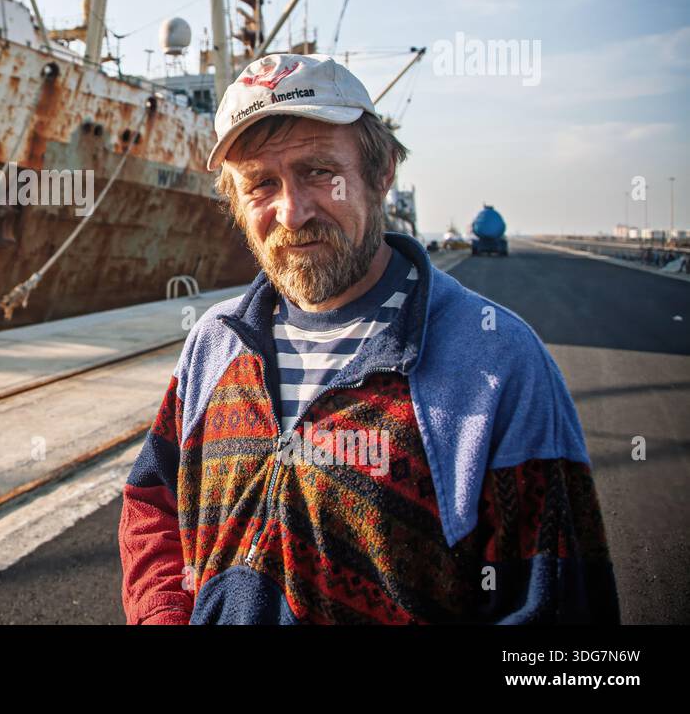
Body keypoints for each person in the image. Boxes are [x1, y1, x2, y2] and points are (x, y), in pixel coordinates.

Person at [118, 53, 620, 624]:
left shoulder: (499, 362)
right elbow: (153, 501)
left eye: (317, 172)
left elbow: (556, 611)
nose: (292, 212)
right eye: (261, 184)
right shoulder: (216, 344)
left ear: (382, 174)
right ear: (236, 203)